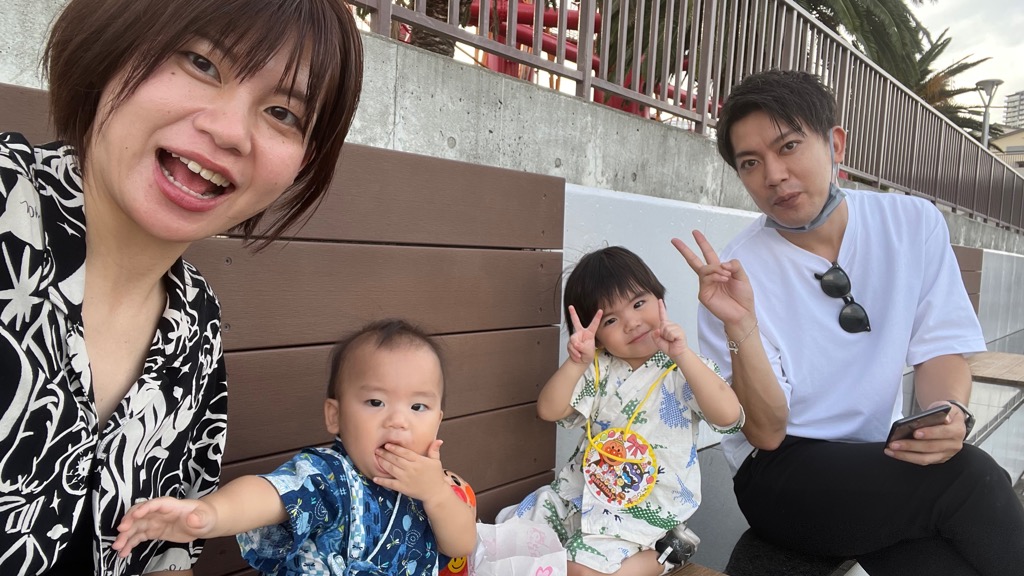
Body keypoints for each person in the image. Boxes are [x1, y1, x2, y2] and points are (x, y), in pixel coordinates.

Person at [0, 0, 363, 573]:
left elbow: (164, 557)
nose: (230, 131)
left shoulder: (195, 322)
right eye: (201, 63)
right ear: (115, 40)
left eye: (282, 113)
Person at [673, 69, 1024, 575]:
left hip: (876, 462)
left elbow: (939, 347)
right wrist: (740, 323)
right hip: (779, 475)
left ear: (835, 143)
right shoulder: (732, 277)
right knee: (971, 477)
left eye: (788, 146)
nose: (774, 175)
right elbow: (765, 434)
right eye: (751, 163)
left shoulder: (912, 224)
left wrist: (948, 413)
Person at [111, 319, 478, 575]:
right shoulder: (328, 476)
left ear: (438, 420)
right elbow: (269, 493)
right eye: (376, 402)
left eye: (418, 407)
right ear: (335, 416)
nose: (398, 420)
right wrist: (210, 514)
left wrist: (436, 494)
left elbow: (461, 544)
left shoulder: (435, 485)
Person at [497, 246, 744, 576]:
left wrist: (683, 355)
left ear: (660, 298)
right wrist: (576, 363)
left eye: (639, 304)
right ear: (596, 335)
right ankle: (662, 551)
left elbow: (728, 415)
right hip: (584, 489)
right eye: (611, 320)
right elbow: (549, 410)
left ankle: (664, 554)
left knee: (577, 569)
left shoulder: (684, 367)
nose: (632, 323)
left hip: (644, 503)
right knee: (510, 537)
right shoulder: (598, 368)